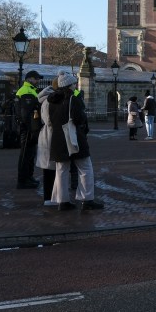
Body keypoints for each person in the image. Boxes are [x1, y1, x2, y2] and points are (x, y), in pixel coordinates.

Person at [47, 72, 103, 211]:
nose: (75, 85)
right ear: (69, 85)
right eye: (73, 83)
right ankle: (87, 199)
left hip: (58, 138)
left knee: (61, 170)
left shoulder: (51, 101)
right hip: (74, 137)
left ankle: (62, 201)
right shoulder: (73, 98)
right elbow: (79, 118)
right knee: (85, 168)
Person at [15, 70, 42, 189]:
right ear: (30, 79)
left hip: (30, 128)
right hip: (28, 129)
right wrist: (31, 129)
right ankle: (22, 180)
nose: (38, 81)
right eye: (36, 79)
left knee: (30, 154)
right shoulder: (26, 91)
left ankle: (29, 177)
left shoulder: (30, 90)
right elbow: (26, 114)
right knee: (26, 154)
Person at [36, 81, 59, 207]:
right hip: (50, 135)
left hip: (48, 135)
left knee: (50, 169)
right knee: (51, 170)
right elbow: (49, 120)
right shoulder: (49, 101)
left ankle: (50, 196)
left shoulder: (46, 100)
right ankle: (50, 197)